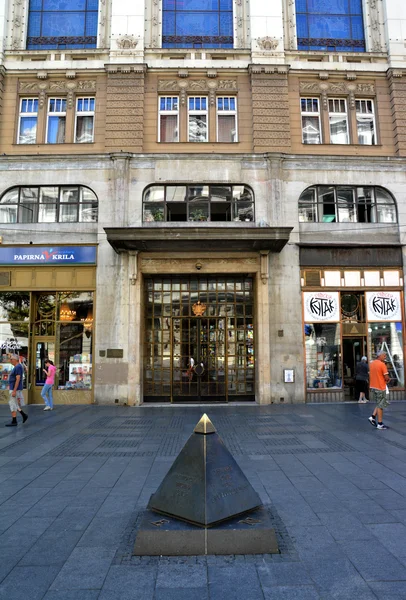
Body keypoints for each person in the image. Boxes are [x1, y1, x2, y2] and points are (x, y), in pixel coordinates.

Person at [368, 350, 390, 430]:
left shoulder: (372, 364)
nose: (385, 357)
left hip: (374, 386)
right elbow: (386, 377)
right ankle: (380, 423)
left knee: (379, 402)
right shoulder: (382, 364)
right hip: (380, 386)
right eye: (384, 356)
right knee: (381, 405)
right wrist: (388, 379)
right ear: (380, 356)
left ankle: (373, 417)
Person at [5, 354, 28, 427]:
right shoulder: (17, 367)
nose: (10, 360)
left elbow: (18, 379)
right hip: (14, 388)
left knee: (12, 404)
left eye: (11, 359)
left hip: (15, 389)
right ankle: (23, 415)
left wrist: (14, 390)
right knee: (14, 403)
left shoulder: (18, 367)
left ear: (16, 360)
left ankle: (14, 420)